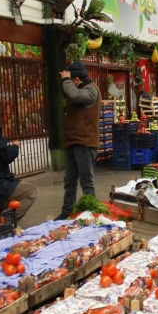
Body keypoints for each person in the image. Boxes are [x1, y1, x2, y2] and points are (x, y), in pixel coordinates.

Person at [57, 61, 101, 220]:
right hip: (73, 142)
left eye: (71, 80)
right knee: (69, 181)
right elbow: (69, 93)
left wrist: (65, 80)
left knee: (86, 181)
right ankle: (67, 212)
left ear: (76, 79)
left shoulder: (91, 90)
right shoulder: (79, 89)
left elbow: (74, 94)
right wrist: (65, 81)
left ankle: (91, 214)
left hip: (85, 143)